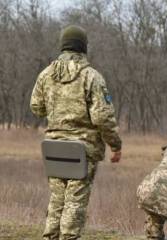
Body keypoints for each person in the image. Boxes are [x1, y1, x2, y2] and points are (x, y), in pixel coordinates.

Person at [30, 25, 122, 240]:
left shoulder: (45, 75)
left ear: (62, 45)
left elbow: (36, 107)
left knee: (57, 200)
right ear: (83, 47)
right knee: (75, 202)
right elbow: (102, 117)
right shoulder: (91, 77)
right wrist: (116, 145)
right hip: (81, 150)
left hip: (53, 148)